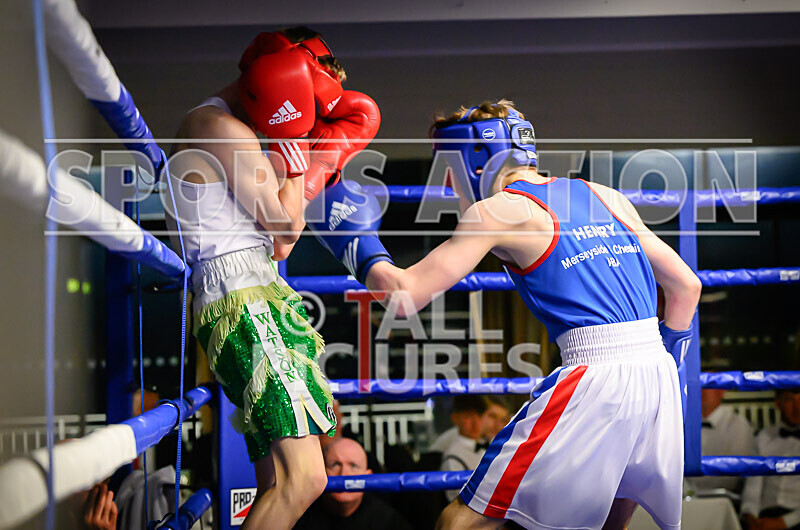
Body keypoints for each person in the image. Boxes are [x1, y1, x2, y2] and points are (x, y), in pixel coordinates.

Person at [314, 99, 701, 529]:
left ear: (473, 161)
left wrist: (356, 242)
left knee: (458, 522)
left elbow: (404, 295)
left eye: (447, 169)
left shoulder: (497, 211)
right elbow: (687, 287)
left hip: (595, 375)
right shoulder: (603, 195)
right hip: (659, 373)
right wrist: (664, 370)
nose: (449, 186)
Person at [166, 27, 384, 529]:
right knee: (305, 479)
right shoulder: (221, 129)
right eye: (308, 103)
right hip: (241, 300)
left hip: (254, 289)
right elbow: (286, 226)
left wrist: (301, 162)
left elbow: (282, 242)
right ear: (288, 84)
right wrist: (300, 152)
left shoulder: (239, 132)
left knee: (278, 481)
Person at [293, 437, 412, 530]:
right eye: (335, 464)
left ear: (368, 476)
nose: (344, 474)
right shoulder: (298, 516)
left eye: (354, 466)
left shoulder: (388, 521)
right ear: (320, 471)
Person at [741, 388, 800, 530]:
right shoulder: (764, 436)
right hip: (765, 515)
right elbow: (753, 484)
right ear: (777, 403)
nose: (797, 407)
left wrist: (785, 522)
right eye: (789, 399)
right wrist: (750, 515)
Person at [685, 385, 755, 495]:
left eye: (708, 386)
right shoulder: (684, 423)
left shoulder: (738, 424)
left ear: (721, 390)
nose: (701, 390)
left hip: (723, 499)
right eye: (698, 384)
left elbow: (734, 475)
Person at [439, 396, 492, 501]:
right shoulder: (453, 456)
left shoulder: (493, 443)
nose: (476, 422)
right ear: (455, 418)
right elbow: (457, 500)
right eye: (468, 416)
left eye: (480, 416)